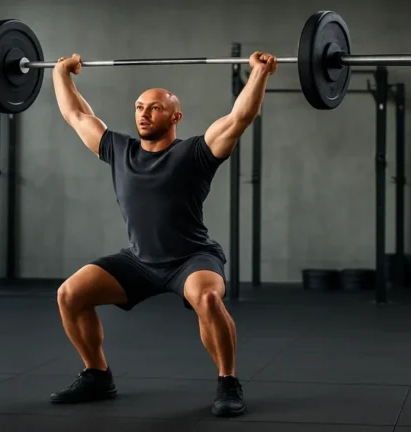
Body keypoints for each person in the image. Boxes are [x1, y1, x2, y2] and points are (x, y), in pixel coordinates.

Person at [48, 50, 277, 418]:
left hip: (191, 258)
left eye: (154, 108)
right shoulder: (118, 150)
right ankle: (97, 375)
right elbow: (76, 115)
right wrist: (61, 73)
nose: (143, 113)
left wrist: (259, 73)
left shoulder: (196, 153)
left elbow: (239, 118)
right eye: (139, 106)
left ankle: (228, 382)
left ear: (175, 116)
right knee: (70, 294)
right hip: (139, 260)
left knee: (207, 298)